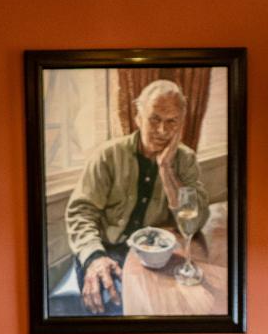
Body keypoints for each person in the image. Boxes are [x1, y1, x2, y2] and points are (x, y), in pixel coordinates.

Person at [65, 79, 211, 314]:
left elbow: (192, 222)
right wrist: (94, 257)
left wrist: (166, 170)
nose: (162, 131)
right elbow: (81, 212)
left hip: (154, 259)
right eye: (154, 119)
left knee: (184, 307)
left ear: (181, 125)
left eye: (171, 121)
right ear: (138, 117)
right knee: (114, 307)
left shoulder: (186, 160)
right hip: (104, 250)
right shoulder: (108, 155)